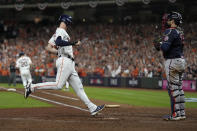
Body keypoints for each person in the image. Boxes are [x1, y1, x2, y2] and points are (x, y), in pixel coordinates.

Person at [24, 14, 105, 116]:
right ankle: (32, 87)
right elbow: (58, 41)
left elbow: (48, 47)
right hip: (65, 60)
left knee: (79, 88)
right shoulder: (61, 31)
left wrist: (58, 52)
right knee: (58, 85)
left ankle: (92, 108)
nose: (70, 23)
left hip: (69, 62)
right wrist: (73, 43)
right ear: (66, 21)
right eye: (69, 21)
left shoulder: (57, 32)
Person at [154, 12, 186, 121]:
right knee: (179, 88)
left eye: (169, 19)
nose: (167, 21)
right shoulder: (180, 32)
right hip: (181, 61)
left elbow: (165, 48)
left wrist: (159, 43)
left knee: (173, 89)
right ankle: (181, 113)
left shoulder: (171, 31)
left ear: (173, 21)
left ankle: (175, 114)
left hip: (172, 61)